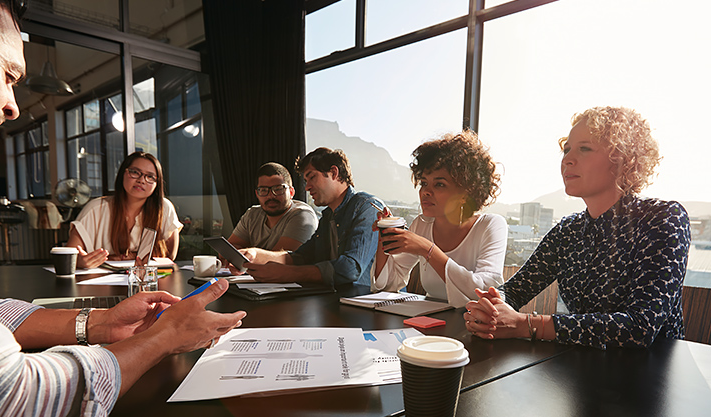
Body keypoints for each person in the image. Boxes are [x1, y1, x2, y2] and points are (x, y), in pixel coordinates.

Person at [0, 2, 246, 415]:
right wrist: (160, 339)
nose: (13, 106)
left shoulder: (162, 210)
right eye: (8, 75)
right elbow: (2, 397)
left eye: (150, 177)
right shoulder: (98, 207)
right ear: (122, 175)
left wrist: (97, 323)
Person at [465, 106, 690, 349]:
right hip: (579, 370)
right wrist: (491, 306)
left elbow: (639, 327)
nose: (567, 159)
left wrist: (526, 324)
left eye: (585, 148)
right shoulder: (567, 230)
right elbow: (515, 290)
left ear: (623, 158)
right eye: (567, 149)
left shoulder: (663, 218)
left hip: (656, 376)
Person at [371, 131, 507, 308]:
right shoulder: (421, 224)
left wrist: (427, 249)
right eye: (424, 183)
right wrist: (386, 235)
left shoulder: (491, 225)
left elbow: (485, 291)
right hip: (429, 323)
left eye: (439, 184)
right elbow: (387, 285)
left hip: (476, 327)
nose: (426, 192)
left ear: (465, 193)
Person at [238, 148, 384, 286]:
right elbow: (301, 257)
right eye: (306, 181)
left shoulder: (367, 207)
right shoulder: (327, 217)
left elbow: (351, 269)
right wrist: (255, 254)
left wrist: (289, 274)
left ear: (334, 172)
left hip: (365, 304)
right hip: (334, 301)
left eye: (312, 177)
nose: (307, 187)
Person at [67, 151, 183, 269]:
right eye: (135, 172)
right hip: (103, 283)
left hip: (148, 281)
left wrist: (128, 256)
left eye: (150, 177)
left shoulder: (164, 208)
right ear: (123, 173)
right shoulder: (96, 209)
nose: (141, 180)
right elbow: (69, 255)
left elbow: (170, 256)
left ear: (157, 184)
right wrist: (79, 261)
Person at [228, 162, 317, 251]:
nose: (271, 196)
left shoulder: (303, 215)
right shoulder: (252, 214)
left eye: (278, 189)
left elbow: (280, 260)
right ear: (257, 194)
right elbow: (227, 251)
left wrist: (249, 252)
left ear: (291, 192)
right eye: (263, 190)